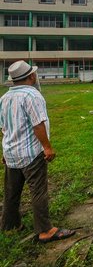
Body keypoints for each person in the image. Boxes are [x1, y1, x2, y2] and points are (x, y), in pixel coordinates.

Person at [0, 60, 75, 243]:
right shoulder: (32, 96)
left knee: (11, 191)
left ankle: (10, 225)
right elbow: (38, 124)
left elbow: (4, 127)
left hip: (11, 152)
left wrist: (5, 150)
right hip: (30, 153)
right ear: (31, 76)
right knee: (38, 190)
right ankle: (45, 230)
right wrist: (47, 147)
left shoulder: (4, 98)